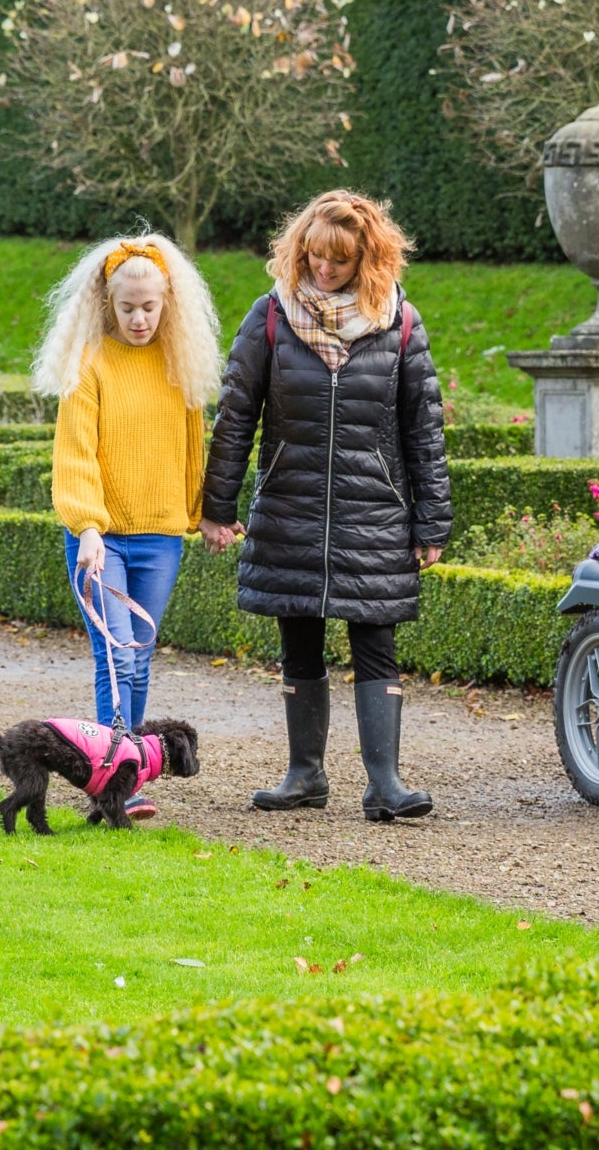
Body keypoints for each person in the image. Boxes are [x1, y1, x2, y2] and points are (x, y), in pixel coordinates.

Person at [201, 190, 453, 822]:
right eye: (313, 256)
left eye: (338, 261)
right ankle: (304, 775)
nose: (322, 270)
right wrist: (217, 505)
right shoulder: (269, 316)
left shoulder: (400, 324)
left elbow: (423, 428)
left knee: (376, 639)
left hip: (375, 511)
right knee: (300, 639)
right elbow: (236, 418)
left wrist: (432, 519)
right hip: (291, 504)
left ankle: (386, 784)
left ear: (366, 258)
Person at [33, 234, 221, 820]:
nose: (139, 319)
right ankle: (118, 781)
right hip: (101, 538)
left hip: (160, 535)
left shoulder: (178, 367)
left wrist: (202, 515)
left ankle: (123, 770)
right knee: (115, 655)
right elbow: (75, 455)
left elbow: (194, 450)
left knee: (140, 653)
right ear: (105, 305)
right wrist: (88, 526)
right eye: (127, 308)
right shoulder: (88, 365)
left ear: (168, 303)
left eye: (150, 307)